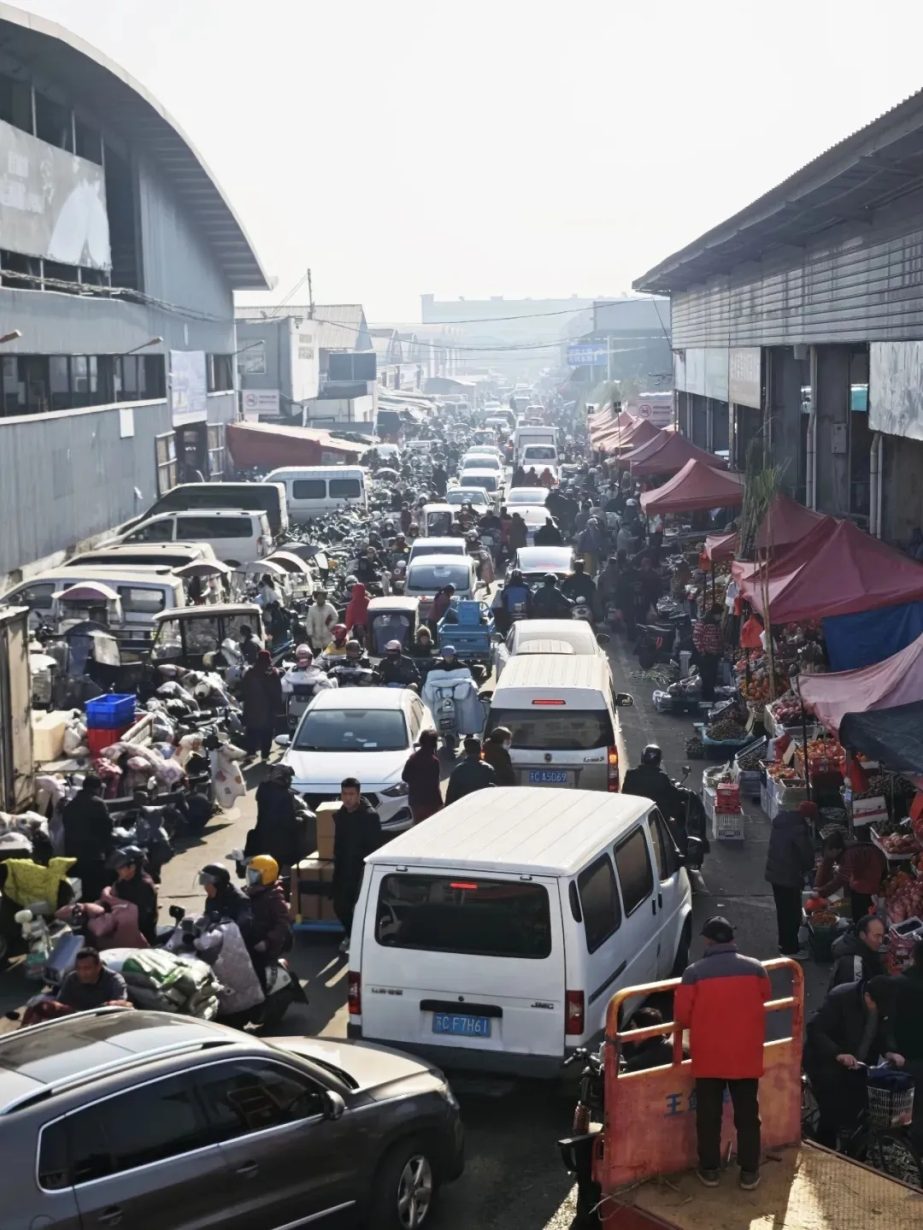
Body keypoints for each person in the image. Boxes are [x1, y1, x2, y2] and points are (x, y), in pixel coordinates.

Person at [674, 916, 771, 1190]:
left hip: (708, 1057)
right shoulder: (756, 969)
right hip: (745, 1056)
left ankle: (710, 1170)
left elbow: (682, 1015)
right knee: (747, 1116)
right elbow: (764, 996)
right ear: (731, 939)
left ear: (708, 941)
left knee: (708, 1116)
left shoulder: (693, 973)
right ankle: (750, 1171)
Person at [805, 976, 903, 1148]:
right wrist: (838, 1054)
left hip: (857, 1064)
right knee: (832, 1110)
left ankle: (854, 1147)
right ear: (867, 997)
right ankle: (823, 1148)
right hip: (824, 1063)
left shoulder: (881, 1008)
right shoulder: (841, 997)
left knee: (860, 1105)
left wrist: (889, 1051)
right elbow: (815, 1030)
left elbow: (880, 1034)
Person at [333, 779, 382, 954]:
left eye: (351, 794)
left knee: (359, 907)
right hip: (343, 867)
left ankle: (357, 940)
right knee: (339, 906)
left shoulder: (369, 816)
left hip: (361, 870)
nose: (348, 798)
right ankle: (351, 934)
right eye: (345, 794)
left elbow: (374, 847)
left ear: (359, 795)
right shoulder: (341, 814)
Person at [764, 803, 815, 959]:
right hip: (789, 875)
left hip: (775, 873)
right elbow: (806, 854)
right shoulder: (799, 828)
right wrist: (809, 866)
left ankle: (784, 944)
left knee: (783, 911)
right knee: (791, 913)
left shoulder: (782, 821)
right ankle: (790, 948)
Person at [246, 763, 310, 876]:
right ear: (282, 778)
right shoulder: (284, 796)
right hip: (281, 844)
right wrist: (301, 821)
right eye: (288, 777)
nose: (290, 780)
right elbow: (288, 821)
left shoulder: (263, 790)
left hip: (262, 839)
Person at [62, 773, 113, 901]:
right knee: (94, 890)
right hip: (92, 854)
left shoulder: (70, 805)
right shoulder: (98, 804)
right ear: (96, 788)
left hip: (72, 854)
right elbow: (107, 827)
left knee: (79, 891)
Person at [815, 829, 887, 921]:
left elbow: (840, 879)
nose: (826, 854)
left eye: (828, 851)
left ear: (837, 850)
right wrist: (820, 888)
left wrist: (821, 892)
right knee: (854, 892)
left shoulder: (848, 855)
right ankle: (857, 920)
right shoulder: (841, 850)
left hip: (872, 869)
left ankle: (863, 922)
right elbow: (827, 865)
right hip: (864, 870)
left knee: (861, 898)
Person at [242, 854, 291, 986]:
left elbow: (283, 923)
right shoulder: (250, 892)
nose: (250, 877)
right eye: (250, 873)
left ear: (266, 875)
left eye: (254, 874)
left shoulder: (274, 897)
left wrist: (267, 941)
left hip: (266, 944)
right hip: (253, 937)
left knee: (260, 978)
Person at [621, 745, 685, 824]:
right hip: (657, 820)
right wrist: (682, 793)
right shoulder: (661, 777)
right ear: (659, 760)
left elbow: (624, 794)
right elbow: (673, 797)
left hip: (633, 816)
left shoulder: (631, 774)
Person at [109, 846, 159, 945]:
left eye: (120, 867)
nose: (117, 870)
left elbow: (143, 919)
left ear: (132, 867)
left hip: (143, 935)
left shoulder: (144, 886)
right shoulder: (122, 882)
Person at [240, 650, 283, 760]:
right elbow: (278, 692)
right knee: (267, 732)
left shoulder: (250, 672)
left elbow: (243, 690)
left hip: (252, 708)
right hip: (268, 709)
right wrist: (278, 707)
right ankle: (265, 755)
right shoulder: (273, 673)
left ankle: (251, 752)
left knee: (252, 731)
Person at [58, 947, 132, 1011]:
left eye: (87, 968)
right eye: (79, 968)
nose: (82, 973)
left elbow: (119, 1006)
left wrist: (108, 1005)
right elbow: (60, 1005)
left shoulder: (114, 981)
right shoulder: (71, 980)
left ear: (99, 966)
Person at [829, 914, 887, 989]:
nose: (880, 941)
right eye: (876, 936)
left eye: (882, 936)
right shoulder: (854, 965)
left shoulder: (863, 947)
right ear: (862, 935)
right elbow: (854, 995)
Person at [402, 730, 444, 824]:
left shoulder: (412, 759)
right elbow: (435, 784)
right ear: (434, 744)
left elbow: (404, 777)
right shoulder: (434, 761)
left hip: (416, 801)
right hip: (431, 802)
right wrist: (440, 803)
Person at [623, 1005, 677, 1072]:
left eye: (632, 1027)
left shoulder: (636, 1063)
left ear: (643, 1031)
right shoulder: (676, 1051)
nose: (630, 1032)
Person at [446, 737, 496, 804]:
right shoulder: (488, 768)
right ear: (480, 750)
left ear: (466, 752)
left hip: (464, 807)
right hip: (483, 805)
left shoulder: (458, 770)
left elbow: (451, 795)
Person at [692, 604, 724, 701]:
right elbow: (696, 637)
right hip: (705, 655)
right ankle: (705, 697)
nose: (720, 616)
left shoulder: (716, 623)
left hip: (714, 655)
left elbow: (718, 637)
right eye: (719, 614)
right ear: (714, 614)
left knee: (713, 676)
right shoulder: (702, 622)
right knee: (706, 676)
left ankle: (710, 695)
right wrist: (702, 651)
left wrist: (720, 649)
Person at [306, 589, 339, 653]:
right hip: (316, 636)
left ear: (324, 598)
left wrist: (330, 626)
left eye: (321, 598)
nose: (320, 599)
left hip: (327, 634)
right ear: (316, 598)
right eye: (318, 598)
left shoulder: (329, 607)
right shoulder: (312, 609)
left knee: (328, 654)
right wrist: (310, 632)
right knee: (317, 655)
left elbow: (335, 617)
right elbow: (309, 621)